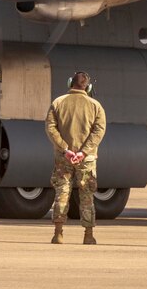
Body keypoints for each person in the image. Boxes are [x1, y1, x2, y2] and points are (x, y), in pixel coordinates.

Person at [45, 71, 107, 245]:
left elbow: (51, 128)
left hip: (63, 158)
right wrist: (83, 152)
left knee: (62, 193)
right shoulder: (96, 106)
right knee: (86, 195)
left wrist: (66, 149)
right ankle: (88, 235)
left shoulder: (58, 103)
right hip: (86, 160)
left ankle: (58, 233)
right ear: (88, 87)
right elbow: (98, 132)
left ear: (69, 83)